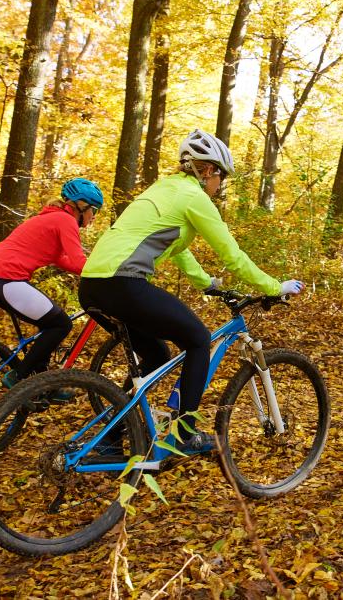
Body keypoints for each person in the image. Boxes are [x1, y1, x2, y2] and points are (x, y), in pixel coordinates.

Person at [79, 129, 304, 453]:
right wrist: (273, 286)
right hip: (122, 282)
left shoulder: (165, 189)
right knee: (198, 340)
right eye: (220, 178)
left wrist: (207, 284)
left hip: (93, 286)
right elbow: (233, 255)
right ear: (209, 170)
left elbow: (178, 248)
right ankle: (184, 436)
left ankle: (113, 440)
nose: (219, 186)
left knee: (157, 353)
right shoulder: (194, 197)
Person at [0, 177, 104, 399]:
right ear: (81, 206)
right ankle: (20, 376)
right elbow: (77, 261)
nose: (94, 217)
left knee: (51, 322)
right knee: (60, 324)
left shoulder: (53, 219)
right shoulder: (65, 221)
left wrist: (97, 268)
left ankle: (41, 380)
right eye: (94, 210)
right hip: (5, 280)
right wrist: (108, 272)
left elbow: (63, 260)